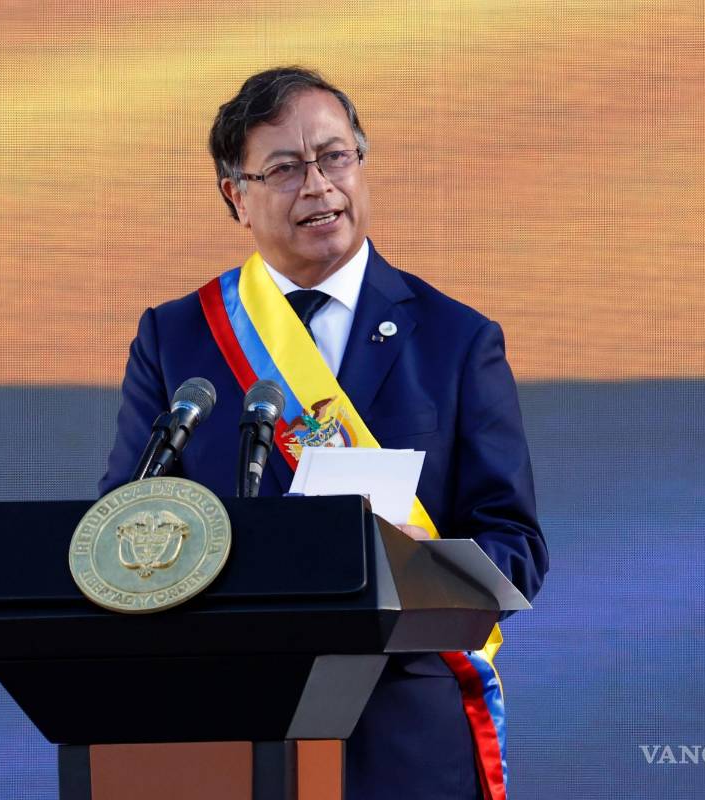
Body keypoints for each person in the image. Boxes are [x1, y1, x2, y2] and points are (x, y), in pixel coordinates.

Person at [99, 66, 548, 800]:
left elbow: (515, 547)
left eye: (334, 157)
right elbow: (131, 520)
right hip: (222, 723)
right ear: (234, 196)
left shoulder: (456, 340)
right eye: (283, 168)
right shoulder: (177, 338)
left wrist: (411, 565)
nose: (318, 185)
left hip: (403, 731)